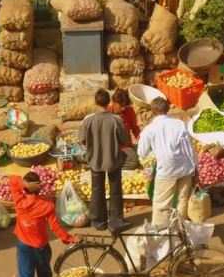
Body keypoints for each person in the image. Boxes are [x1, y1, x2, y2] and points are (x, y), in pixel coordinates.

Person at [9, 172, 77, 277]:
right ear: (39, 187)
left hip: (24, 245)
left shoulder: (19, 201)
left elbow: (13, 180)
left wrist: (24, 183)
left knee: (26, 275)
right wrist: (69, 238)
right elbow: (55, 227)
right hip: (41, 246)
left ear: (25, 187)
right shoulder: (46, 205)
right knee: (45, 271)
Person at [138, 97, 197, 227]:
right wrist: (194, 166)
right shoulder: (179, 124)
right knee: (183, 200)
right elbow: (189, 147)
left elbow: (141, 152)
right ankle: (180, 230)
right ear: (168, 109)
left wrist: (154, 152)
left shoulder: (150, 129)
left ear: (152, 112)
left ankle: (161, 232)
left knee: (161, 203)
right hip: (185, 167)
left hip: (167, 169)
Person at [79, 89, 130, 231]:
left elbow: (82, 140)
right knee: (115, 190)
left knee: (97, 190)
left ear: (96, 102)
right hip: (113, 159)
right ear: (109, 102)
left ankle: (99, 222)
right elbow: (125, 140)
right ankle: (116, 221)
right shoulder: (117, 120)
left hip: (95, 160)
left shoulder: (88, 121)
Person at [107, 88, 140, 170]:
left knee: (142, 153)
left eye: (125, 106)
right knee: (134, 160)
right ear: (113, 103)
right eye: (121, 106)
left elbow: (135, 129)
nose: (123, 109)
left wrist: (141, 141)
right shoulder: (107, 113)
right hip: (111, 148)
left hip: (126, 147)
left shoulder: (129, 111)